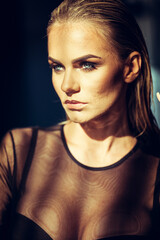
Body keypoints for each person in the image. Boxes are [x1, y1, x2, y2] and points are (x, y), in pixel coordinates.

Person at [0, 0, 160, 239]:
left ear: (130, 67)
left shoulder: (154, 170)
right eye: (57, 67)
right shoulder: (20, 150)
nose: (67, 85)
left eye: (87, 65)